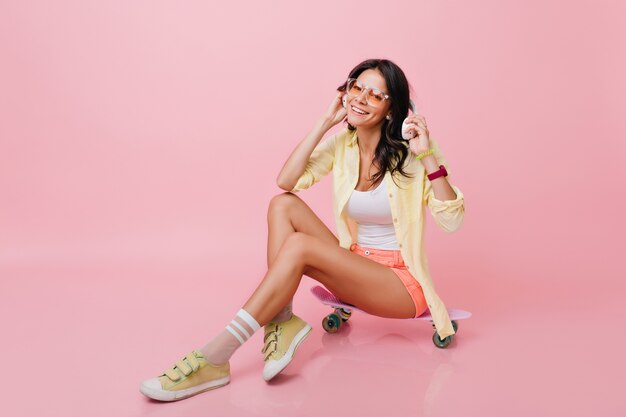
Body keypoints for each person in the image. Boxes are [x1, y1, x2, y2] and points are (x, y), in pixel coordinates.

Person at [140, 58, 465, 402]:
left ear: (391, 110)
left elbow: (452, 220)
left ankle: (216, 357)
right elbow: (286, 181)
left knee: (298, 246)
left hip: (399, 283)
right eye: (357, 87)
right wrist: (325, 122)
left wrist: (426, 154)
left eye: (376, 95)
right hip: (354, 265)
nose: (361, 98)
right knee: (283, 204)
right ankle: (281, 321)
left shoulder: (414, 153)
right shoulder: (343, 145)